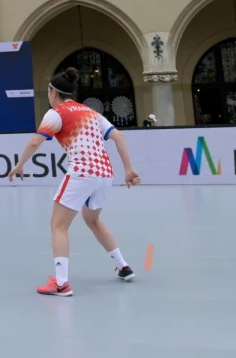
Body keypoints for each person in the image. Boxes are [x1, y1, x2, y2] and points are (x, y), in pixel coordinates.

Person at [8, 67, 140, 297]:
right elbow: (118, 136)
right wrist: (128, 169)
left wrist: (19, 165)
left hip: (82, 173)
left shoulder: (56, 113)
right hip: (104, 174)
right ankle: (123, 266)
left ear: (52, 92)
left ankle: (61, 284)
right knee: (93, 220)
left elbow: (35, 142)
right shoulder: (91, 112)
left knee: (58, 225)